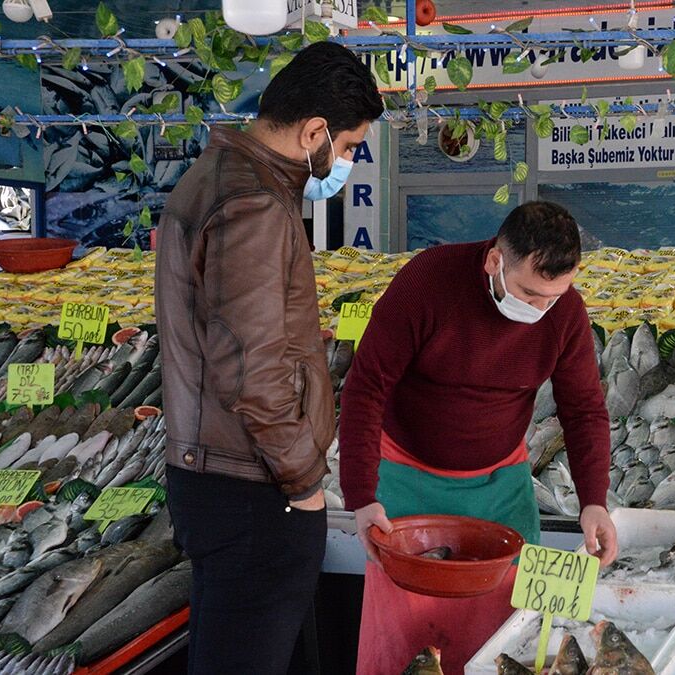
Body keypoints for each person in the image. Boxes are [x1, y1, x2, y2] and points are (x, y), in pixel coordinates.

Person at [155, 42, 383, 674]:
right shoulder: (253, 204)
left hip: (226, 479)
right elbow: (253, 371)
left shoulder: (223, 179)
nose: (343, 162)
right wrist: (303, 482)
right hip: (252, 490)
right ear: (313, 130)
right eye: (344, 147)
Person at [339, 201, 618, 674]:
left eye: (551, 296)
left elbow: (585, 409)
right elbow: (366, 388)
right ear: (494, 261)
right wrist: (362, 496)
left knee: (504, 633)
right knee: (408, 632)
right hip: (409, 480)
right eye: (528, 293)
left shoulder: (565, 312)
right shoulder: (426, 282)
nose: (538, 309)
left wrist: (594, 500)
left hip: (500, 484)